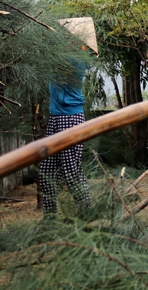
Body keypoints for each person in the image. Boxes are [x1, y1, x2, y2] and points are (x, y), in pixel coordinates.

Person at [39, 49, 93, 219]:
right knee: (47, 171)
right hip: (56, 117)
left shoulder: (73, 57)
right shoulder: (61, 55)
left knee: (71, 172)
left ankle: (87, 214)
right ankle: (50, 219)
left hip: (70, 118)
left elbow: (49, 57)